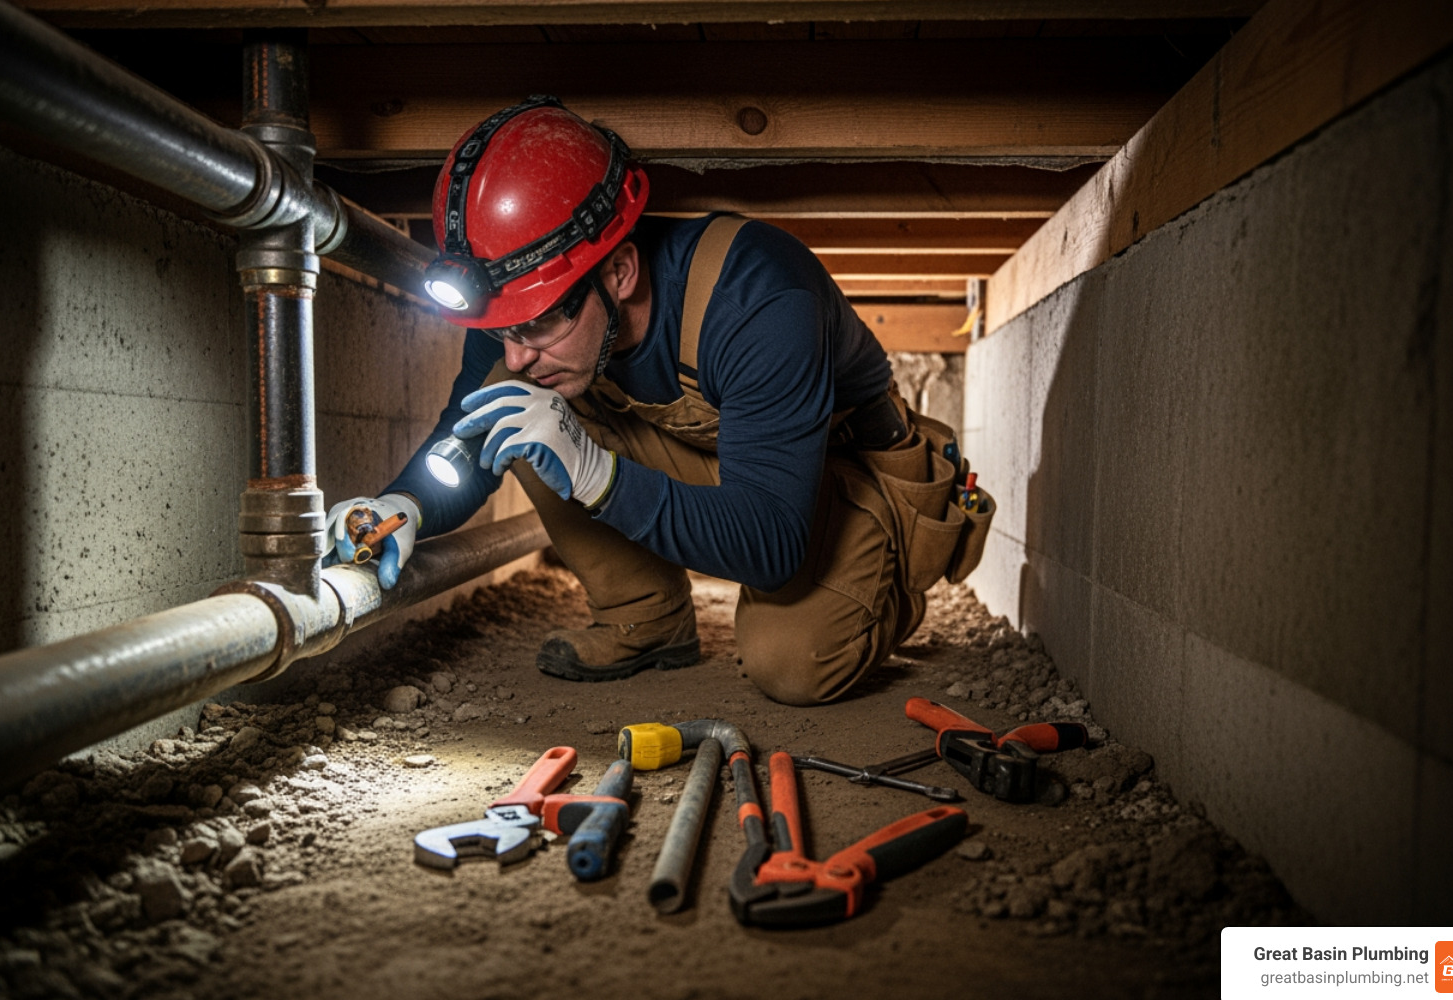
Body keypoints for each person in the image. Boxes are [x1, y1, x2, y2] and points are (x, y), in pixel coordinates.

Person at [324, 97, 989, 707]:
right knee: (506, 399)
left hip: (836, 482)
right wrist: (401, 504)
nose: (518, 351)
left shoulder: (759, 298)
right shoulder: (520, 315)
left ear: (619, 270)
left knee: (791, 663)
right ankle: (645, 618)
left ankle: (888, 586)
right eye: (501, 329)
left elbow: (772, 543)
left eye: (537, 323)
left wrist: (595, 474)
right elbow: (465, 435)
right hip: (721, 462)